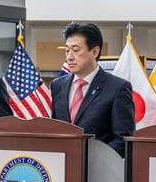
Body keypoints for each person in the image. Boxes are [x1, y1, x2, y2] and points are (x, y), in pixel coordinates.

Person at [51, 22, 135, 157]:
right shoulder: (57, 85)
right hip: (62, 168)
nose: (69, 57)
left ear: (94, 51)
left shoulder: (117, 88)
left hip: (99, 171)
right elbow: (55, 130)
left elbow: (123, 140)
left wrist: (89, 159)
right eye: (67, 50)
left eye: (76, 50)